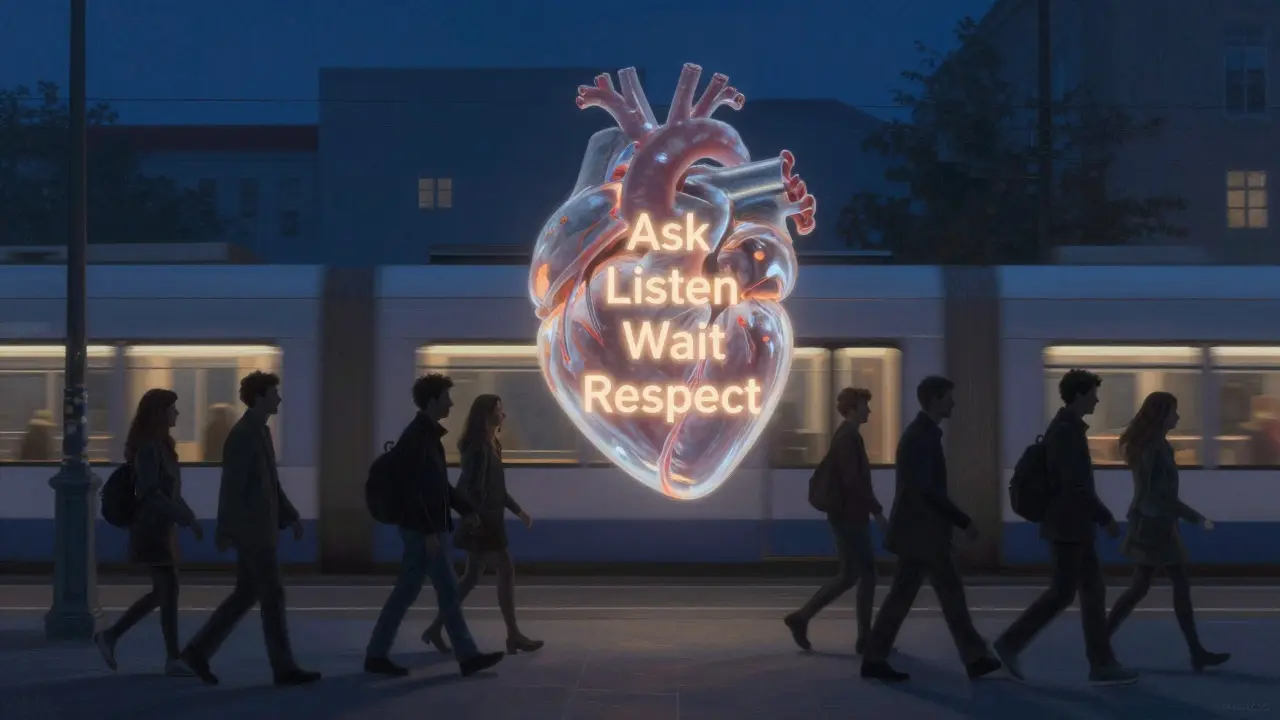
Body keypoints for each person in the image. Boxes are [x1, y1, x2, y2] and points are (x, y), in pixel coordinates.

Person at [993, 369, 1138, 686]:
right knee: (1063, 593)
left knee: (1090, 591)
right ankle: (1011, 643)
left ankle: (1102, 663)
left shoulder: (1066, 429)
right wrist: (1105, 517)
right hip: (1068, 526)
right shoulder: (1066, 432)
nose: (1097, 400)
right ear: (1080, 395)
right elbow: (1074, 485)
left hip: (1072, 525)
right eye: (1093, 394)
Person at [180, 372, 320, 687]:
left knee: (245, 595)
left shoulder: (260, 433)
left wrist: (290, 516)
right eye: (274, 393)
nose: (279, 399)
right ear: (259, 397)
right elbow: (232, 488)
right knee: (273, 596)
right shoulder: (243, 435)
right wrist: (226, 530)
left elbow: (270, 482)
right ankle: (283, 668)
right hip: (254, 533)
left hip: (262, 529)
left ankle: (197, 652)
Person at [364, 374, 506, 677]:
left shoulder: (426, 437)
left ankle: (378, 654)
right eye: (446, 397)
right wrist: (429, 531)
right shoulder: (417, 439)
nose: (451, 403)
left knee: (419, 592)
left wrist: (466, 510)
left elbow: (439, 486)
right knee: (441, 592)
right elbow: (413, 490)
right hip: (423, 530)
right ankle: (465, 656)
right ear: (432, 401)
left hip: (426, 528)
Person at [860, 376, 1001, 683]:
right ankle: (973, 657)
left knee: (935, 594)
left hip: (923, 533)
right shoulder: (921, 438)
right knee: (936, 595)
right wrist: (963, 520)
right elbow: (927, 489)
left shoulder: (922, 435)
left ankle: (973, 656)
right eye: (949, 397)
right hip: (923, 534)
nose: (953, 402)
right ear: (935, 399)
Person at [1105, 391, 1230, 672]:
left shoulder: (1152, 445)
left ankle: (1101, 639)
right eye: (1174, 411)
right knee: (1166, 586)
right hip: (1155, 525)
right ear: (1162, 415)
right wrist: (1195, 517)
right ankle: (1195, 651)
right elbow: (1159, 494)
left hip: (1156, 523)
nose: (1178, 416)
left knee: (1143, 587)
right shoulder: (1156, 448)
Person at [422, 394, 544, 655]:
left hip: (486, 519)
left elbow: (496, 488)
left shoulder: (491, 444)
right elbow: (473, 488)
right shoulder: (479, 448)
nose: (504, 415)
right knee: (506, 570)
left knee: (470, 578)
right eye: (500, 411)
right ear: (487, 415)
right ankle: (513, 635)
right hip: (484, 522)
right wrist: (475, 518)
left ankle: (435, 628)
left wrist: (518, 510)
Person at [94, 389, 201, 677]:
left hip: (162, 527)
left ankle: (118, 639)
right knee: (167, 590)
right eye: (173, 409)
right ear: (159, 413)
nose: (177, 413)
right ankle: (166, 655)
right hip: (152, 529)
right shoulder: (149, 448)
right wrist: (186, 518)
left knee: (166, 591)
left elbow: (171, 493)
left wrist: (188, 518)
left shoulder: (163, 445)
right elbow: (152, 492)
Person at [784, 387, 886, 654]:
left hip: (846, 515)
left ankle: (802, 617)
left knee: (850, 574)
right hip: (850, 516)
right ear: (852, 410)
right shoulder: (848, 438)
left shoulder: (848, 436)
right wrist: (877, 511)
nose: (869, 411)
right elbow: (853, 482)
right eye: (865, 406)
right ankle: (866, 639)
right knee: (867, 574)